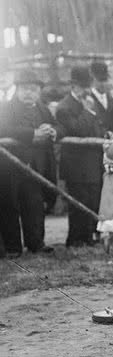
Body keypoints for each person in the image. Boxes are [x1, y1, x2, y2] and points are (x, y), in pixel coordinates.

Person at [0, 70, 61, 257]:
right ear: (17, 90)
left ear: (39, 92)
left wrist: (52, 131)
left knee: (34, 204)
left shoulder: (43, 109)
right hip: (10, 167)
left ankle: (36, 243)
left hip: (35, 167)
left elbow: (59, 126)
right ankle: (13, 248)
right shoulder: (6, 108)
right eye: (25, 89)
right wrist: (32, 134)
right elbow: (4, 128)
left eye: (34, 90)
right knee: (9, 205)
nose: (29, 93)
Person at [56, 66, 106, 248]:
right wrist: (88, 112)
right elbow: (79, 130)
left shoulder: (91, 102)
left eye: (88, 85)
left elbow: (98, 128)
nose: (86, 90)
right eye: (83, 86)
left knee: (92, 200)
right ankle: (75, 239)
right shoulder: (64, 107)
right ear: (73, 86)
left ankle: (88, 237)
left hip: (93, 161)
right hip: (75, 164)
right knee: (78, 202)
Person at [89, 61, 113, 136]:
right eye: (100, 80)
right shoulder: (88, 99)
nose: (104, 84)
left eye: (105, 80)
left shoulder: (112, 100)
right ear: (93, 79)